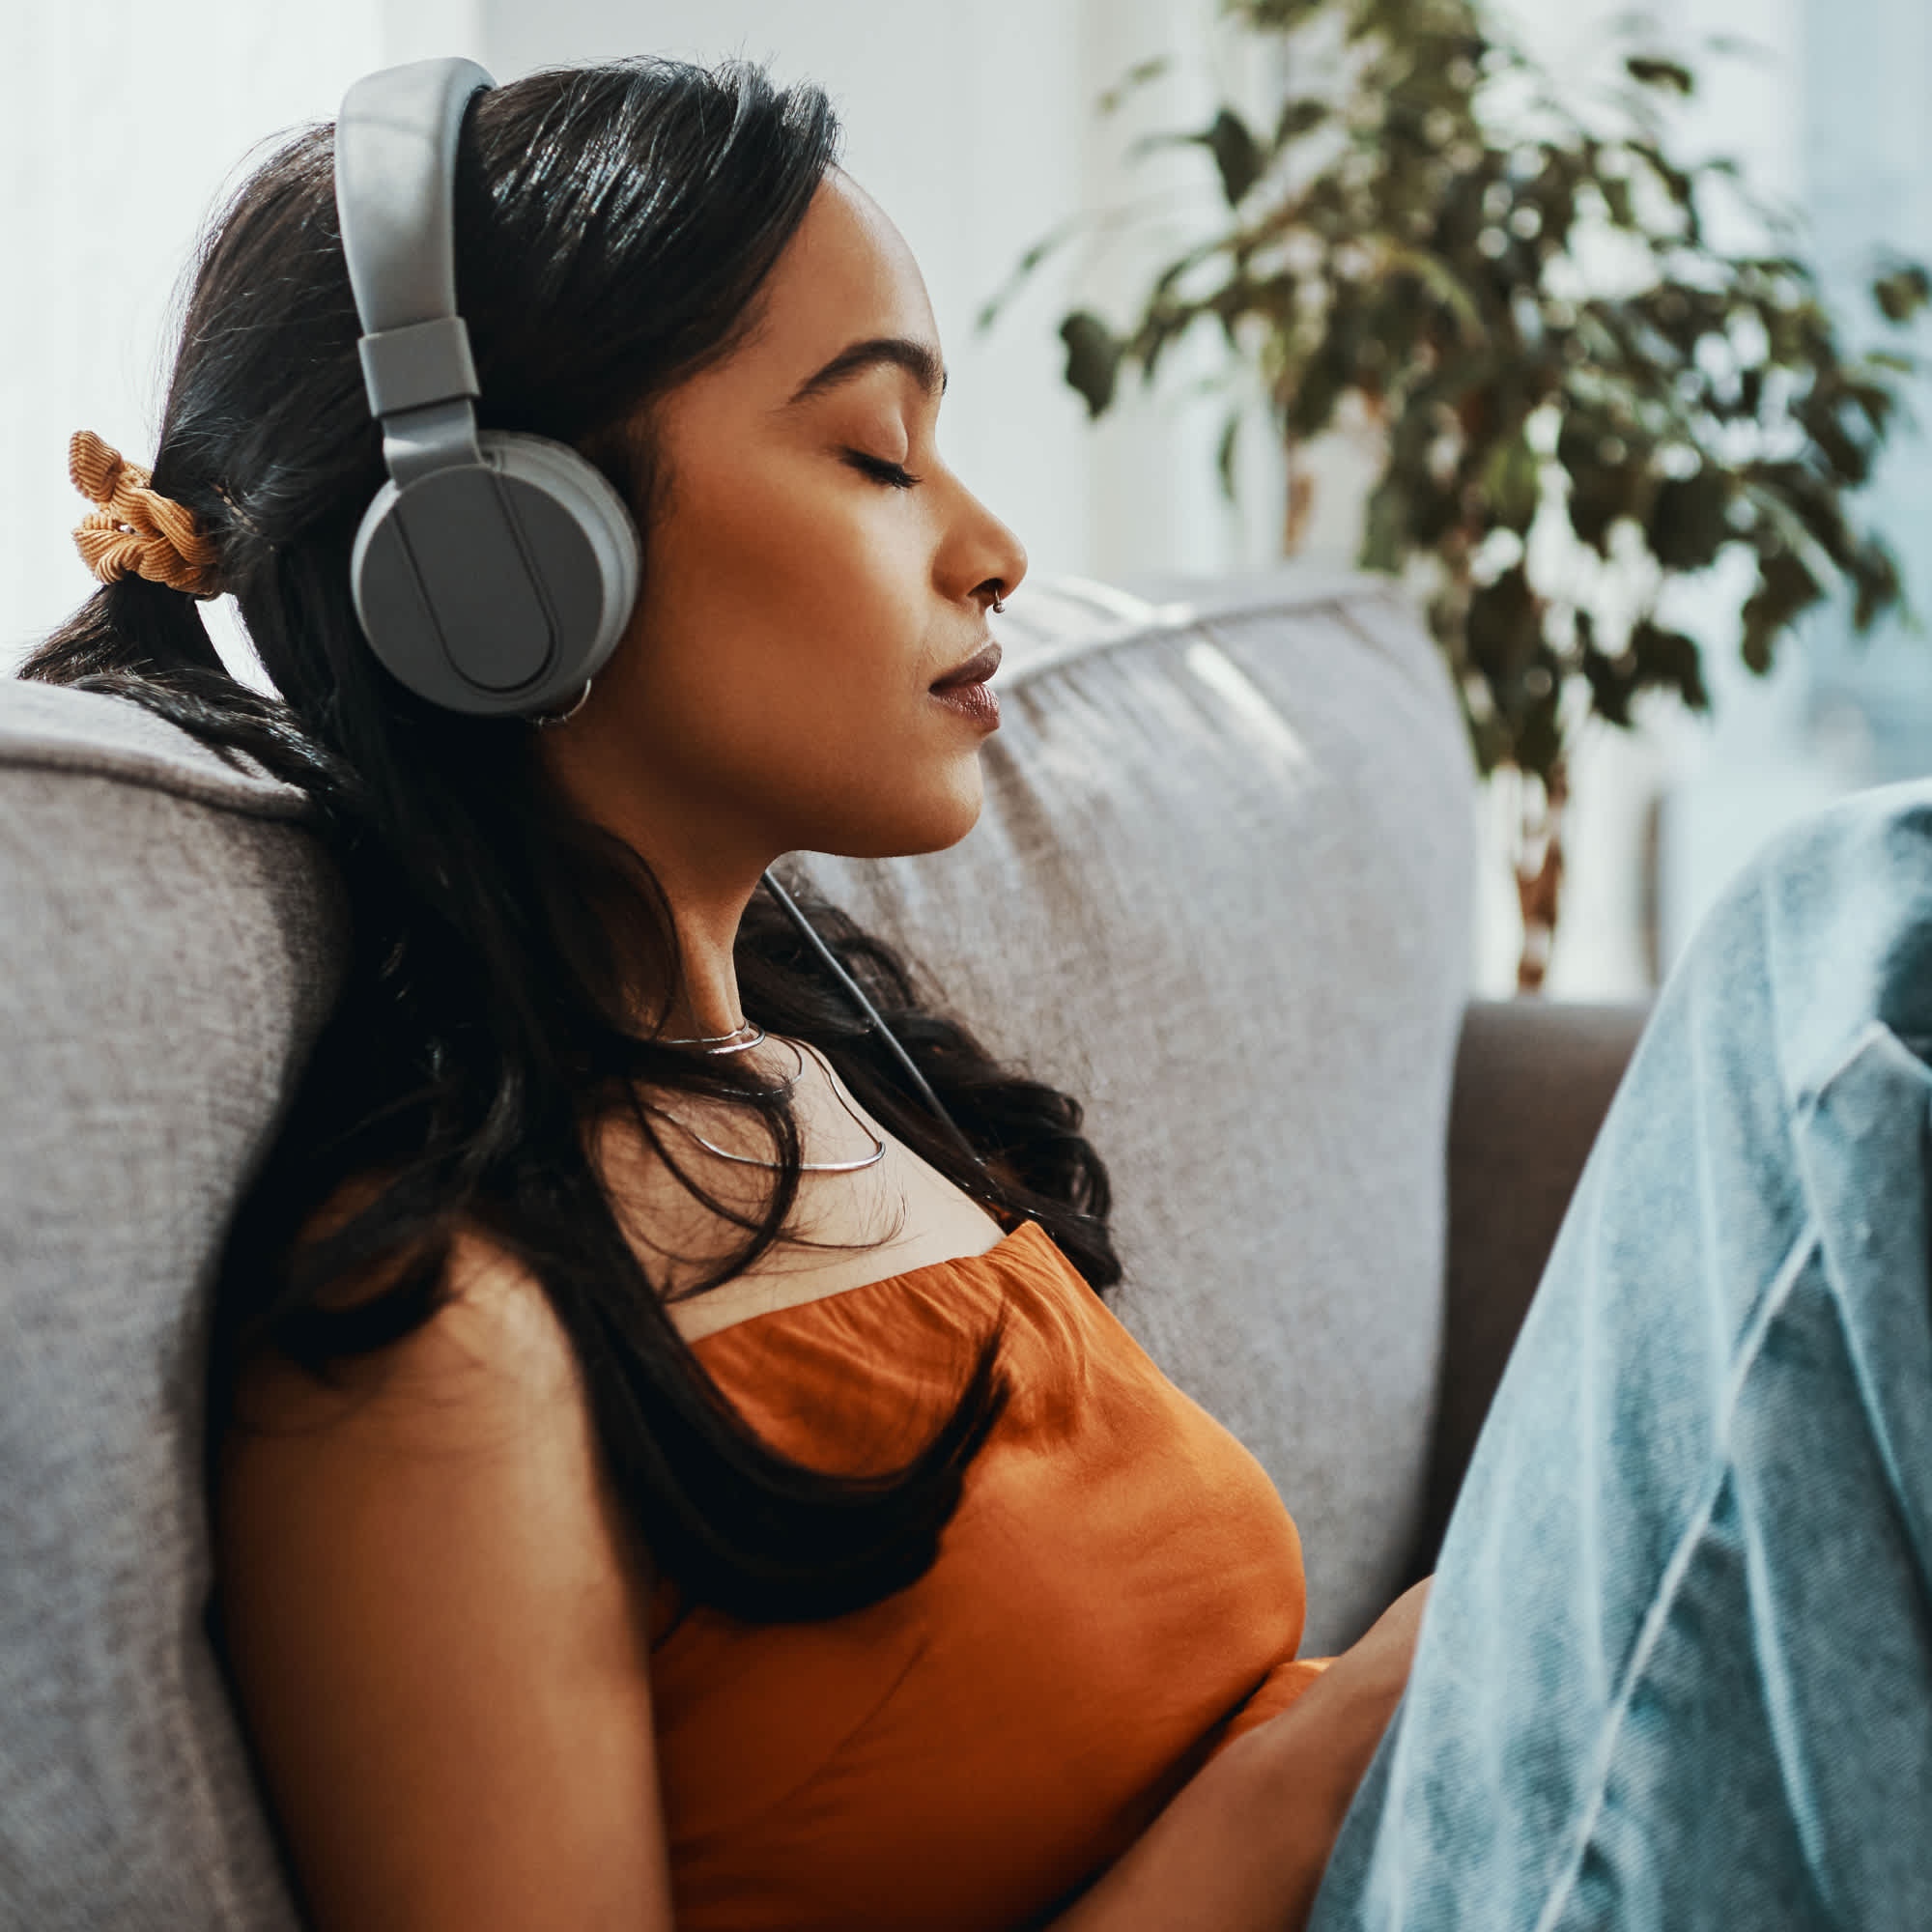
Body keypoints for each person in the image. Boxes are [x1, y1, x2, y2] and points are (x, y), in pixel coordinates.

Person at [22, 51, 1932, 1932]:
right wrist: (1318, 1760)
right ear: (504, 565)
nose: (994, 548)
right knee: (1848, 925)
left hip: (1446, 1825)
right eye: (874, 451)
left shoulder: (831, 1075)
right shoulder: (440, 1349)